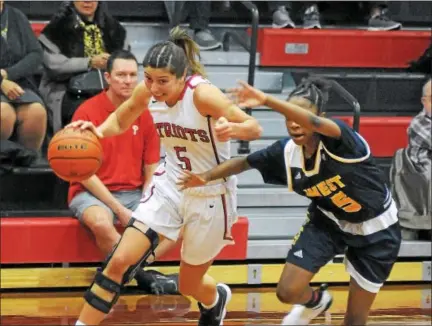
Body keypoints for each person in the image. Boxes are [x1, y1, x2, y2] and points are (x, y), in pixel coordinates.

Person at [68, 26, 262, 326]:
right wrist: (99, 131)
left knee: (188, 286)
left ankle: (215, 299)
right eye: (148, 79)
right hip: (169, 184)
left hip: (210, 194)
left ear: (182, 78)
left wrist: (234, 129)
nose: (153, 88)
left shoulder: (203, 95)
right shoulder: (147, 88)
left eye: (162, 82)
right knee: (119, 261)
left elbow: (254, 127)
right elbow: (122, 116)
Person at [177, 78, 402, 325]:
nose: (294, 124)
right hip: (328, 221)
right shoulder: (285, 153)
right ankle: (317, 301)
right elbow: (243, 162)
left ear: (320, 117)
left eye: (301, 117)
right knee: (287, 291)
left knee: (355, 320)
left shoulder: (343, 140)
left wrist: (265, 100)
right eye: (289, 118)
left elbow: (314, 123)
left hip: (377, 229)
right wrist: (205, 177)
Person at [68, 49, 179, 293]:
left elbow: (151, 166)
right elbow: (83, 172)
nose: (128, 81)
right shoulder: (86, 112)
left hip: (133, 191)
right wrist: (118, 209)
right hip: (93, 193)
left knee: (175, 223)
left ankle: (119, 270)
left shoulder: (145, 113)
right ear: (107, 77)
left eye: (132, 75)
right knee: (101, 222)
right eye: (121, 75)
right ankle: (144, 276)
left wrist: (148, 203)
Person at [38, 0, 128, 132]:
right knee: (86, 109)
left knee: (127, 109)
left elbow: (126, 63)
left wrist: (113, 62)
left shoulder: (115, 30)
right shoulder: (56, 30)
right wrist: (89, 62)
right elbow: (54, 66)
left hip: (107, 87)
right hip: (66, 89)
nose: (87, 1)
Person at [0, 0, 47, 151]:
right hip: (4, 84)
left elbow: (36, 54)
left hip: (17, 82)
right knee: (4, 114)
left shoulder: (16, 16)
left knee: (36, 113)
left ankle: (25, 167)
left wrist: (8, 74)